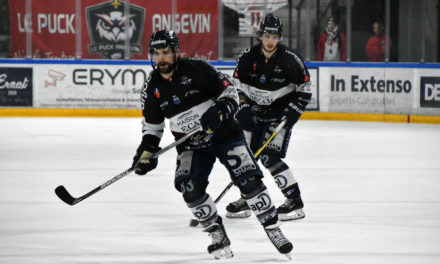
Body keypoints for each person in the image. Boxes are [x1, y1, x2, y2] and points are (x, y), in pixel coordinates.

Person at [132, 29, 293, 259]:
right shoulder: (152, 87)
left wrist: (219, 110)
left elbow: (230, 92)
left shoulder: (197, 69)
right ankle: (216, 233)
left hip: (225, 134)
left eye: (165, 52)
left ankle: (273, 229)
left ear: (176, 52)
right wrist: (146, 150)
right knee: (189, 189)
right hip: (190, 145)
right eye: (156, 53)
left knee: (248, 180)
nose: (161, 58)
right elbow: (153, 126)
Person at [225, 14, 312, 222]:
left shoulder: (291, 60)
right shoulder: (247, 57)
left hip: (278, 116)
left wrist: (292, 111)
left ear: (279, 37)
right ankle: (248, 197)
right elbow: (236, 87)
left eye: (274, 36)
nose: (270, 40)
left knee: (268, 157)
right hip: (252, 115)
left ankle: (294, 201)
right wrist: (243, 106)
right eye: (267, 35)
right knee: (245, 158)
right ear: (260, 36)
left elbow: (305, 90)